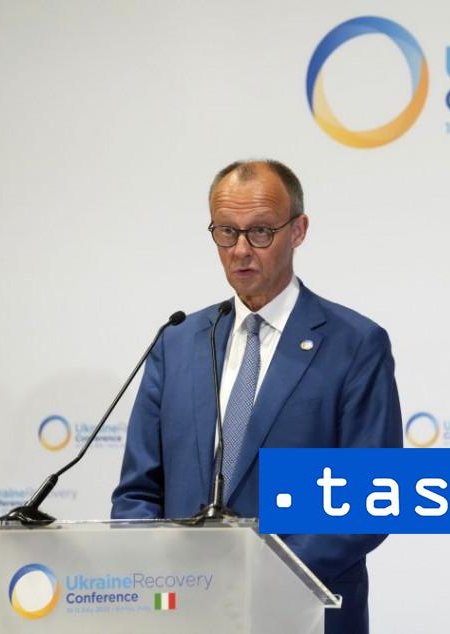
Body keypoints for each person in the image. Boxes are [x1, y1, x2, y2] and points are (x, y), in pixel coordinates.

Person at [111, 159, 403, 634]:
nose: (241, 250)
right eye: (226, 232)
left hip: (302, 612)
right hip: (186, 615)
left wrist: (260, 579)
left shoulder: (354, 344)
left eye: (261, 232)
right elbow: (137, 493)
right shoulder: (177, 342)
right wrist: (160, 574)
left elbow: (371, 498)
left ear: (298, 231)